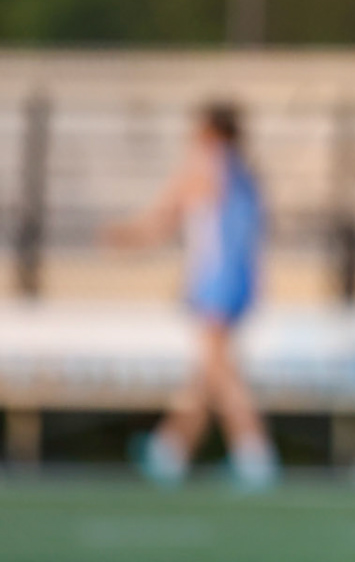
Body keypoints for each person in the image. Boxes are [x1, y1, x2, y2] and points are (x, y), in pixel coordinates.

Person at [105, 100, 277, 490]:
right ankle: (171, 451)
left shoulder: (206, 165)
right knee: (210, 372)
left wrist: (126, 237)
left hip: (216, 279)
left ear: (210, 133)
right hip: (242, 281)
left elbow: (167, 215)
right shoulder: (247, 174)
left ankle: (255, 453)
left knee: (220, 372)